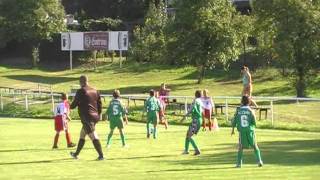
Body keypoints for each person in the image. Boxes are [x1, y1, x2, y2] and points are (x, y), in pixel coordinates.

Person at [70, 75, 104, 160]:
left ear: (80, 82)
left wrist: (68, 105)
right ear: (87, 81)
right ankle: (76, 154)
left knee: (93, 135)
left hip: (87, 117)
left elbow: (74, 104)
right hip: (95, 116)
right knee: (82, 134)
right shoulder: (95, 90)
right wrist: (99, 115)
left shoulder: (81, 91)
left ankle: (101, 156)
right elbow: (100, 104)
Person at [231, 95, 263, 168]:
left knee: (240, 147)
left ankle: (239, 164)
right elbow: (254, 122)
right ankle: (259, 161)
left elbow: (234, 121)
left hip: (242, 131)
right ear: (249, 102)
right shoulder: (250, 111)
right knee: (255, 145)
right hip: (250, 130)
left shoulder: (238, 111)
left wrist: (232, 130)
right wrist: (253, 126)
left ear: (241, 102)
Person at [182, 90, 203, 156]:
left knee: (189, 135)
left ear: (195, 94)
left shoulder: (195, 101)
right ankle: (186, 150)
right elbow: (202, 111)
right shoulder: (200, 101)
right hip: (199, 120)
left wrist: (185, 116)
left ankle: (197, 150)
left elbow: (191, 109)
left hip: (195, 120)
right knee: (188, 134)